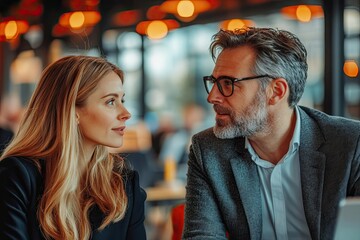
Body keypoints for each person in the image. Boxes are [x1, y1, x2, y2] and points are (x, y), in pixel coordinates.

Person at [183, 27, 360, 240]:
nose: (212, 97)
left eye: (227, 84)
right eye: (213, 83)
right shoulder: (208, 151)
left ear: (276, 92)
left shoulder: (350, 143)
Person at [0, 55, 147, 240]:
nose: (126, 113)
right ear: (73, 111)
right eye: (111, 101)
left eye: (122, 100)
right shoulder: (17, 177)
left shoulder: (123, 184)